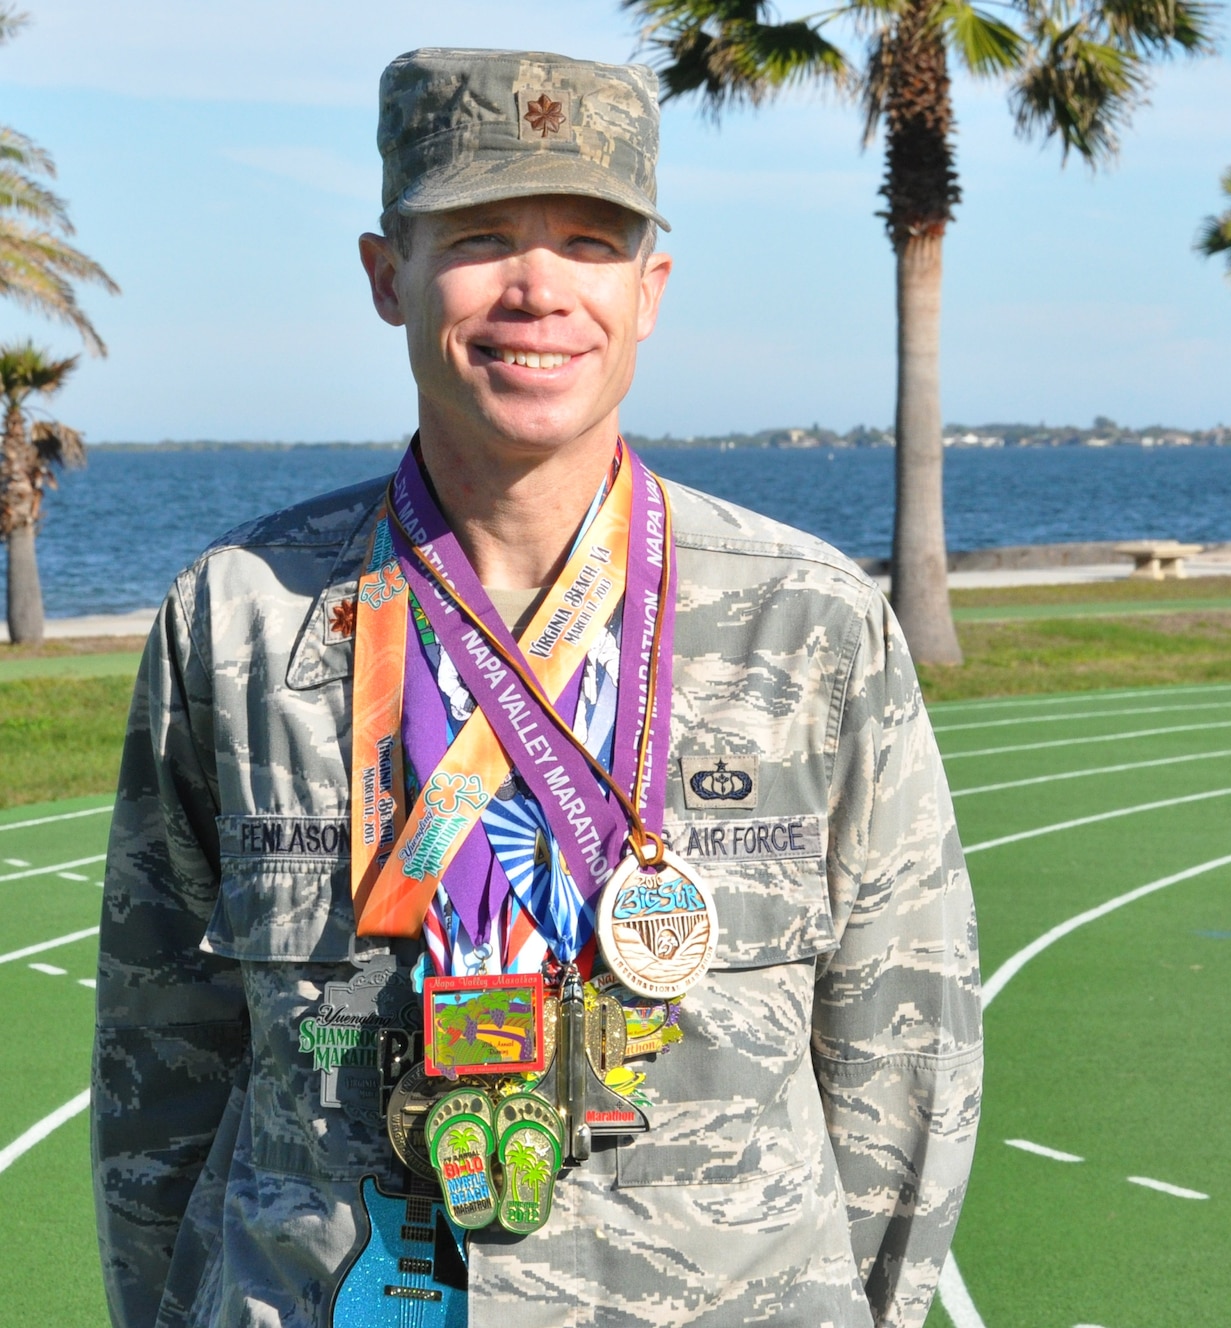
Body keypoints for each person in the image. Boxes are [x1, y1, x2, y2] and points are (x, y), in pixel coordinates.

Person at [91, 47, 981, 1328]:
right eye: (480, 236)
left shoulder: (810, 623)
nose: (537, 288)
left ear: (650, 289)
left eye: (588, 240)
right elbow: (156, 1070)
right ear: (387, 275)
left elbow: (904, 1058)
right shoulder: (237, 620)